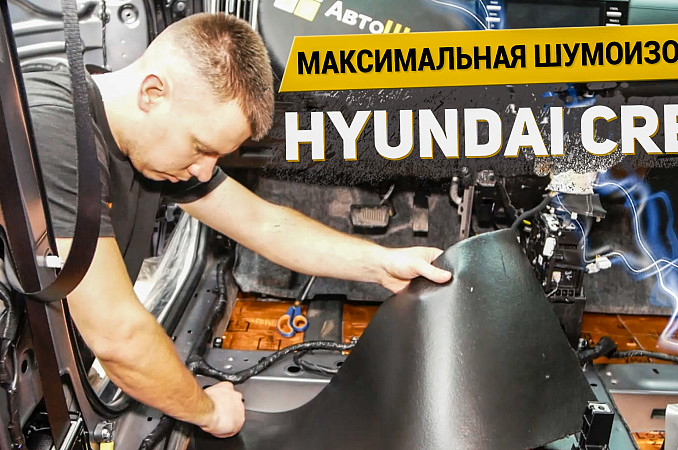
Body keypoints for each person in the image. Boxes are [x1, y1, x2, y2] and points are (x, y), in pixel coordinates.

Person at [23, 13, 451, 438]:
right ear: (152, 93)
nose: (204, 170)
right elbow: (119, 337)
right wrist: (210, 412)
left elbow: (263, 224)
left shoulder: (153, 140)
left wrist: (381, 264)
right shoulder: (55, 129)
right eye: (201, 148)